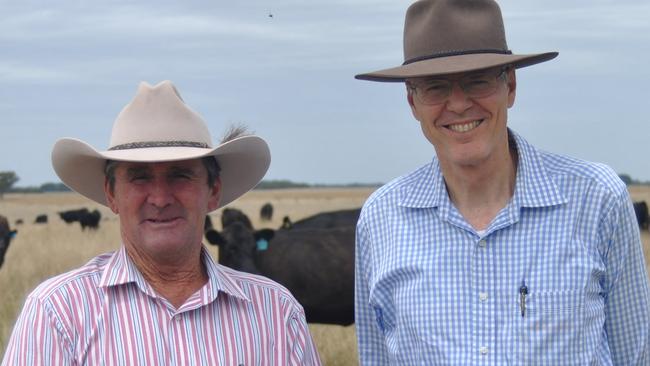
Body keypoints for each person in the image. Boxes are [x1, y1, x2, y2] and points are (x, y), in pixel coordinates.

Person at [353, 0, 650, 364]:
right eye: (435, 87)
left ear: (510, 85)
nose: (459, 104)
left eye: (477, 80)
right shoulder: (381, 218)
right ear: (412, 101)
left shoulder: (597, 198)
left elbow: (636, 355)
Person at [2, 81, 321, 365]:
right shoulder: (57, 313)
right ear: (112, 195)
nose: (159, 197)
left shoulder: (277, 313)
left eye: (180, 175)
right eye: (139, 177)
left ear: (213, 191)